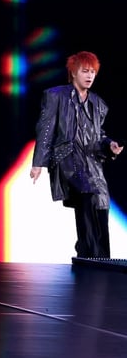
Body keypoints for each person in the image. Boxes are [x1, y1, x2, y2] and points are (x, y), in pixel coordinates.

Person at [30, 51, 123, 258]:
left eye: (92, 72)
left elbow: (99, 135)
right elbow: (46, 129)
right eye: (85, 71)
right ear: (73, 72)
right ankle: (92, 254)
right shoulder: (55, 96)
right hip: (67, 159)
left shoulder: (98, 104)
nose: (89, 76)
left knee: (101, 202)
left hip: (92, 162)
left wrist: (110, 146)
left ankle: (97, 256)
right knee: (87, 193)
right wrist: (38, 163)